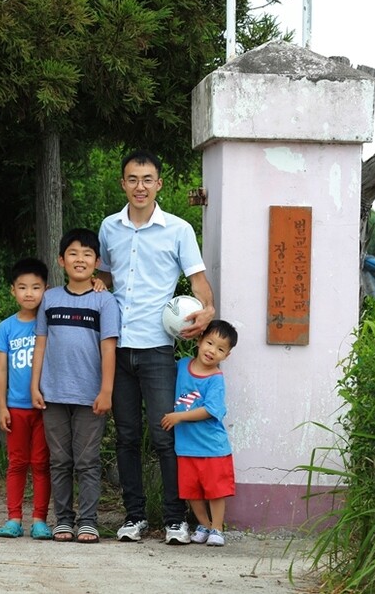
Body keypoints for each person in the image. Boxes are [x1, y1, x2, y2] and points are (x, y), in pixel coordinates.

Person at [95, 149, 216, 544]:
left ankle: (174, 518)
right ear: (122, 184)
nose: (140, 186)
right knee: (127, 435)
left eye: (147, 179)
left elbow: (198, 283)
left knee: (164, 435)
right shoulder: (109, 227)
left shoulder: (179, 230)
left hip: (158, 348)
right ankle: (133, 517)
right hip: (118, 347)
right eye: (132, 179)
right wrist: (99, 285)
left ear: (159, 183)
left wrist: (208, 310)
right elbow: (103, 278)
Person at [31, 229, 121, 543]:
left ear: (97, 262)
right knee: (59, 460)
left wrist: (106, 390)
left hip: (90, 395)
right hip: (52, 394)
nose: (79, 259)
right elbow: (40, 344)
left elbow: (109, 347)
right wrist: (35, 386)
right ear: (61, 260)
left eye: (86, 254)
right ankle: (64, 520)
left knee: (87, 460)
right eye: (72, 253)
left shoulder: (105, 301)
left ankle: (88, 521)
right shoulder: (50, 299)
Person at [0, 257, 53, 540]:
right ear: (12, 291)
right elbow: (0, 368)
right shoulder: (6, 328)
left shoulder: (50, 324)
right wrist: (2, 406)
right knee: (17, 463)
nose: (29, 293)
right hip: (16, 408)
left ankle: (40, 519)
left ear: (46, 290)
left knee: (41, 463)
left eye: (36, 287)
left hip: (45, 407)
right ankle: (13, 518)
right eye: (23, 287)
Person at [161, 320, 238, 547]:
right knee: (191, 491)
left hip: (212, 448)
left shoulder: (216, 379)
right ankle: (203, 524)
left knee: (215, 491)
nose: (212, 350)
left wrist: (179, 417)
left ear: (227, 355)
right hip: (185, 446)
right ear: (199, 340)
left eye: (220, 349)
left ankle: (217, 528)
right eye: (210, 343)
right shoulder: (182, 365)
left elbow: (210, 410)